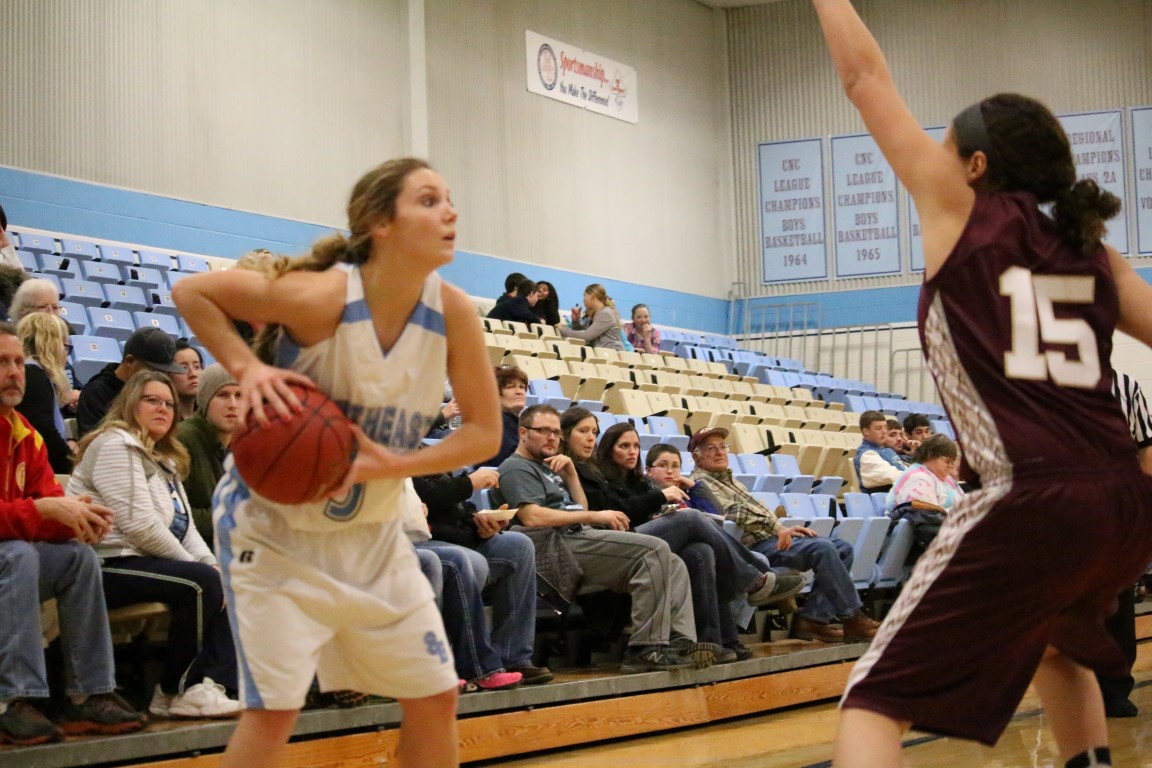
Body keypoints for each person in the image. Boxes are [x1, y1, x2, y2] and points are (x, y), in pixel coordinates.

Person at [812, 2, 1152, 765]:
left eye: (944, 143)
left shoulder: (960, 208)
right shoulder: (1095, 251)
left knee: (873, 699)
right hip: (1123, 503)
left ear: (974, 165)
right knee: (1059, 647)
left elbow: (864, 79)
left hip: (1028, 495)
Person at [172, 157, 501, 768]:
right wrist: (248, 368)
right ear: (381, 223)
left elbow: (485, 432)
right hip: (275, 534)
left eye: (449, 199)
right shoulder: (325, 297)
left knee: (435, 697)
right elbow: (193, 292)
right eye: (428, 200)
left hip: (371, 535)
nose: (450, 212)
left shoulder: (452, 312)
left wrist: (386, 464)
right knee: (274, 713)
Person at [0, 322, 147, 745]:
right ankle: (11, 700)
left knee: (77, 558)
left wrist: (75, 519)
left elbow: (45, 508)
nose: (14, 372)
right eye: (3, 362)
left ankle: (87, 694)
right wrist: (43, 510)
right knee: (18, 554)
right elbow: (35, 511)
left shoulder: (26, 435)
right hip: (10, 560)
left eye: (18, 362)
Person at [68, 371, 242, 719]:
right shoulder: (117, 444)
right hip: (104, 563)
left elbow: (185, 527)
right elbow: (140, 526)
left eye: (169, 404)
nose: (163, 408)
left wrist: (209, 562)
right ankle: (175, 690)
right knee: (202, 583)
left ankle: (212, 685)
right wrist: (201, 569)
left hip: (141, 561)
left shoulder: (164, 458)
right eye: (152, 401)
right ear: (131, 403)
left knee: (228, 578)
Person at [563, 414, 805, 663]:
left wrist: (693, 489)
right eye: (624, 446)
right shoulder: (597, 475)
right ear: (608, 449)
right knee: (690, 518)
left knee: (701, 551)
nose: (632, 451)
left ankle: (713, 642)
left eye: (635, 445)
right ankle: (755, 580)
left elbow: (717, 515)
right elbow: (614, 511)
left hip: (641, 542)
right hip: (617, 544)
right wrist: (660, 499)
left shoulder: (639, 482)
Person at [496, 404, 699, 672]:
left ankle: (680, 643)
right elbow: (532, 516)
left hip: (577, 537)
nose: (552, 437)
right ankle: (644, 648)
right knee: (654, 550)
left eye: (556, 432)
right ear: (523, 433)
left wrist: (570, 475)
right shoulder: (516, 467)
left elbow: (578, 509)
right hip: (552, 547)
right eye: (544, 431)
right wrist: (596, 515)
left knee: (673, 563)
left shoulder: (549, 466)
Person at [689, 427, 878, 644]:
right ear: (696, 457)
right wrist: (778, 528)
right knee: (823, 548)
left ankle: (814, 619)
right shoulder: (700, 484)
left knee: (842, 547)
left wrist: (783, 528)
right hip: (746, 550)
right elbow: (732, 512)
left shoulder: (731, 481)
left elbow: (758, 513)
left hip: (766, 540)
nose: (720, 452)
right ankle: (852, 618)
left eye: (723, 447)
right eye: (711, 448)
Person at [413, 468, 552, 685]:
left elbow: (455, 507)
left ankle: (513, 657)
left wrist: (479, 523)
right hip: (424, 541)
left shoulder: (429, 458)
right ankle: (474, 668)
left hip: (458, 538)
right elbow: (426, 498)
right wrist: (469, 483)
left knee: (519, 546)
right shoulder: (397, 459)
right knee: (464, 560)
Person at [1096, 370, 1152, 720]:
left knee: (1117, 599)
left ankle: (1115, 689)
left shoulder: (1126, 386)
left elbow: (1146, 448)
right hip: (1061, 503)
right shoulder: (1040, 375)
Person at [76, 326, 184, 436]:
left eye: (165, 372)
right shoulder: (96, 394)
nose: (159, 377)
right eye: (153, 370)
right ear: (130, 361)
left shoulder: (163, 395)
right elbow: (96, 441)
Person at [177, 363, 242, 545]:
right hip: (192, 549)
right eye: (223, 395)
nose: (233, 404)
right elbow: (176, 515)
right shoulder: (183, 438)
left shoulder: (245, 443)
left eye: (239, 395)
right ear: (205, 400)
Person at [16, 312, 75, 473]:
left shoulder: (29, 373)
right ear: (53, 346)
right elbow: (44, 433)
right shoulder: (34, 376)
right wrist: (74, 463)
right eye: (66, 348)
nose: (66, 357)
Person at [884, 434, 964, 550]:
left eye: (952, 462)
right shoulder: (918, 478)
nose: (951, 466)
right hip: (914, 545)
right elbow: (930, 521)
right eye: (947, 461)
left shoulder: (945, 479)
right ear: (931, 455)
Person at [645, 443, 723, 518]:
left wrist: (695, 487)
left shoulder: (687, 496)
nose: (670, 471)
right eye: (662, 465)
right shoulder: (644, 495)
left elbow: (717, 518)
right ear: (649, 471)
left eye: (675, 466)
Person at [481, 364, 528, 468]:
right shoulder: (493, 424)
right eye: (510, 387)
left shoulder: (517, 423)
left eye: (522, 387)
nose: (519, 392)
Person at [556, 284, 625, 350]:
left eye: (584, 295)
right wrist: (576, 321)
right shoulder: (594, 314)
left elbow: (586, 336)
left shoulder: (605, 313)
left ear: (592, 296)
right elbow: (582, 333)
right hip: (602, 352)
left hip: (612, 353)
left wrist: (563, 329)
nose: (583, 300)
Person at [853, 410, 906, 494]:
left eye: (885, 427)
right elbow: (890, 475)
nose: (884, 431)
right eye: (879, 428)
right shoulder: (867, 455)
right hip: (883, 500)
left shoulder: (888, 451)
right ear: (866, 431)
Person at [171, 339, 203, 420]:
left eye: (196, 367)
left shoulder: (208, 418)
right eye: (184, 368)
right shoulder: (166, 419)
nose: (193, 374)